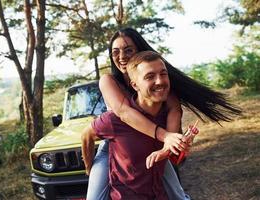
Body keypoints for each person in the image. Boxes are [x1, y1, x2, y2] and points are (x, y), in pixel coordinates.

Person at [85, 27, 242, 200]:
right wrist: (165, 135)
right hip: (117, 145)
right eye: (116, 52)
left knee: (177, 194)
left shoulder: (155, 78)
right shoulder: (109, 80)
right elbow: (123, 112)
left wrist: (173, 142)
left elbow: (174, 108)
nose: (121, 56)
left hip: (153, 141)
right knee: (95, 196)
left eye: (128, 50)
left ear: (139, 51)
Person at [82, 51, 195, 199]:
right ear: (134, 85)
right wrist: (89, 167)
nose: (160, 81)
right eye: (150, 77)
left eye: (163, 74)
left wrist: (181, 147)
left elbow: (174, 157)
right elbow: (86, 135)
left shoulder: (168, 116)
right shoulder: (114, 120)